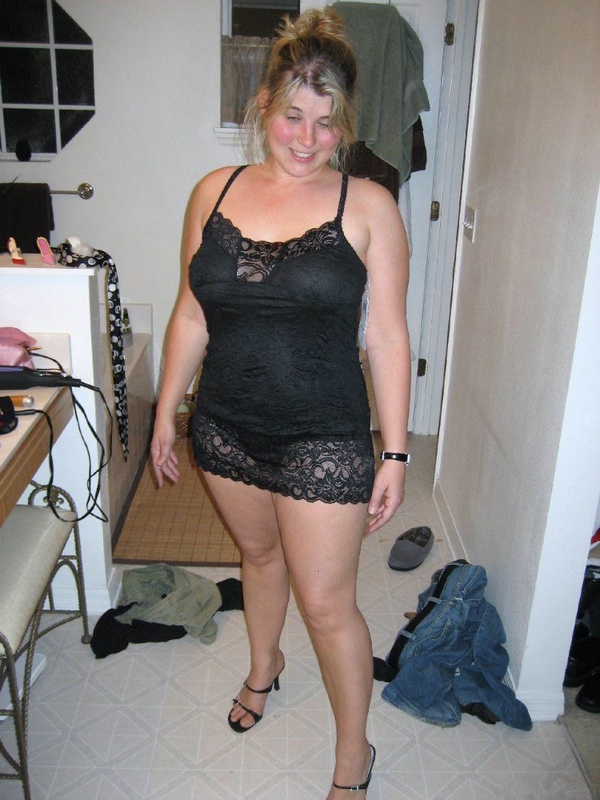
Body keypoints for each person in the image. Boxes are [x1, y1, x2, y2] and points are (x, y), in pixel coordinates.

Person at [151, 7, 410, 798]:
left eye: (326, 124)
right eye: (294, 115)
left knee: (328, 605)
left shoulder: (368, 205)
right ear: (264, 104)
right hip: (224, 427)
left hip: (322, 437)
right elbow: (191, 314)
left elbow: (387, 337)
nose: (307, 138)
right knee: (258, 559)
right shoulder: (213, 191)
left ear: (344, 125)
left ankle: (353, 756)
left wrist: (396, 450)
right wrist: (165, 412)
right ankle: (264, 666)